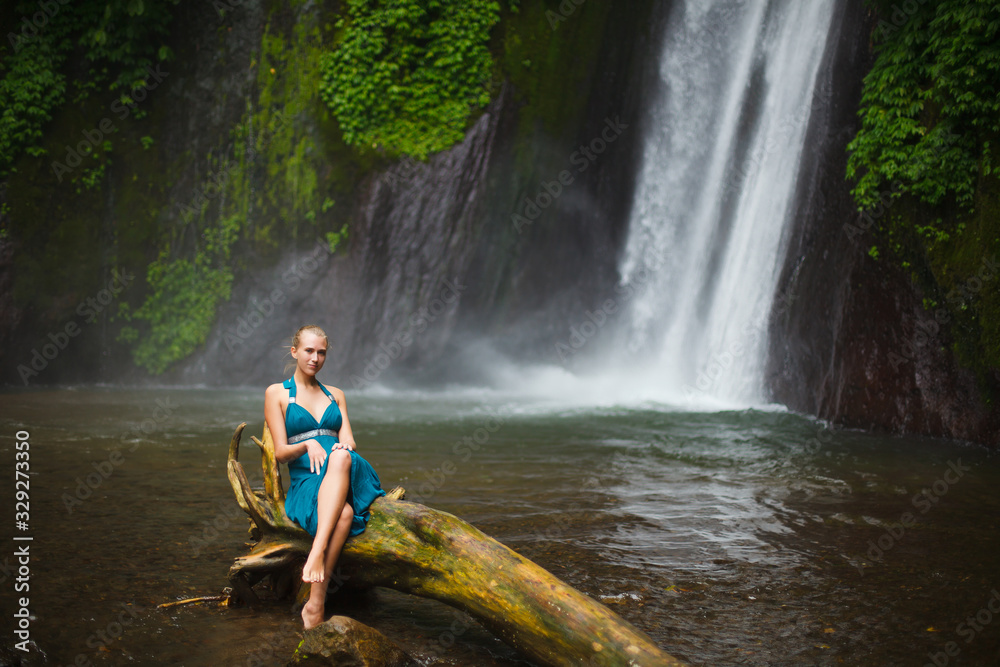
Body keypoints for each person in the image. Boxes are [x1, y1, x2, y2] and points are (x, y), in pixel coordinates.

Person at [264, 324, 386, 629]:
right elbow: (279, 452)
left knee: (343, 455)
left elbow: (350, 440)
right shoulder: (277, 394)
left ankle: (315, 553)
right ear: (294, 352)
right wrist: (307, 443)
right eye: (309, 351)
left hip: (345, 470)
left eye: (321, 352)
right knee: (343, 515)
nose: (315, 358)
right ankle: (315, 604)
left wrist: (340, 448)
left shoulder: (337, 395)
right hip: (308, 480)